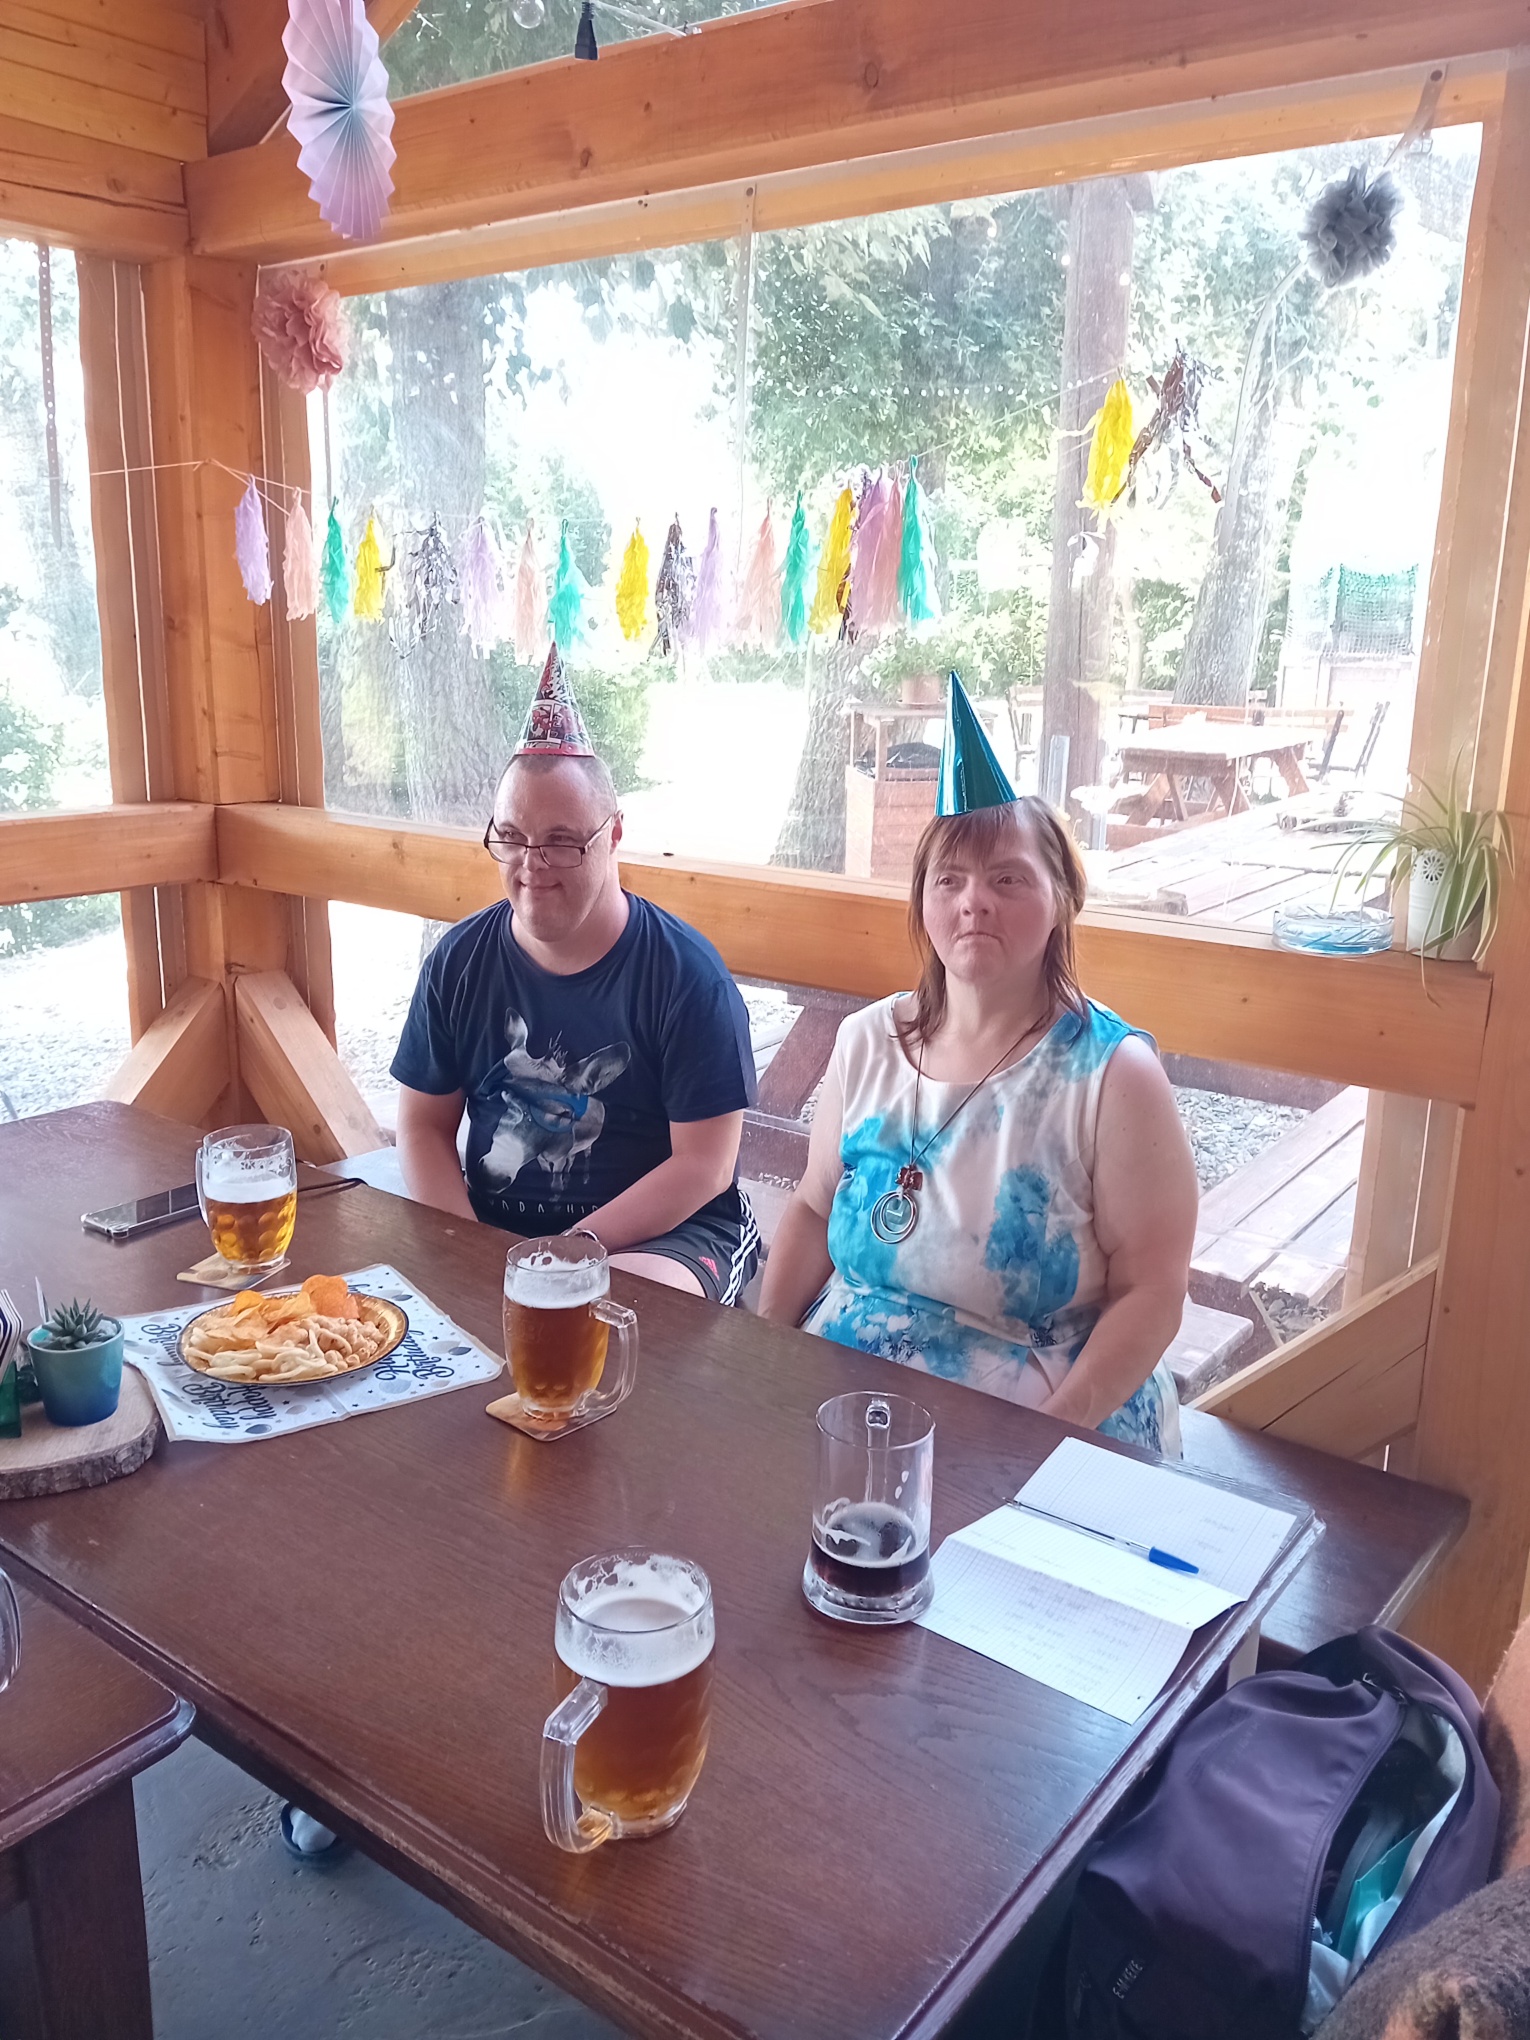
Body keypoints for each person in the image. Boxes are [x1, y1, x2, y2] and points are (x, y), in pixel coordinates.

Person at [759, 674, 1197, 1453]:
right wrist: (760, 1354)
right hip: (848, 1409)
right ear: (923, 903)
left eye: (1007, 879)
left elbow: (1153, 1291)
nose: (974, 901)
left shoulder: (1112, 1075)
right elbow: (815, 1210)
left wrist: (1050, 1435)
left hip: (1039, 1424)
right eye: (951, 880)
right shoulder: (866, 1041)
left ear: (1062, 898)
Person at [391, 645, 761, 1304]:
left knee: (605, 1316)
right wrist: (464, 1246)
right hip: (494, 1231)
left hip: (665, 1239)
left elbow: (705, 1167)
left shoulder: (687, 977)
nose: (531, 863)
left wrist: (570, 1253)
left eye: (562, 841)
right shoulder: (458, 961)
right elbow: (422, 1126)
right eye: (511, 836)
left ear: (613, 835)